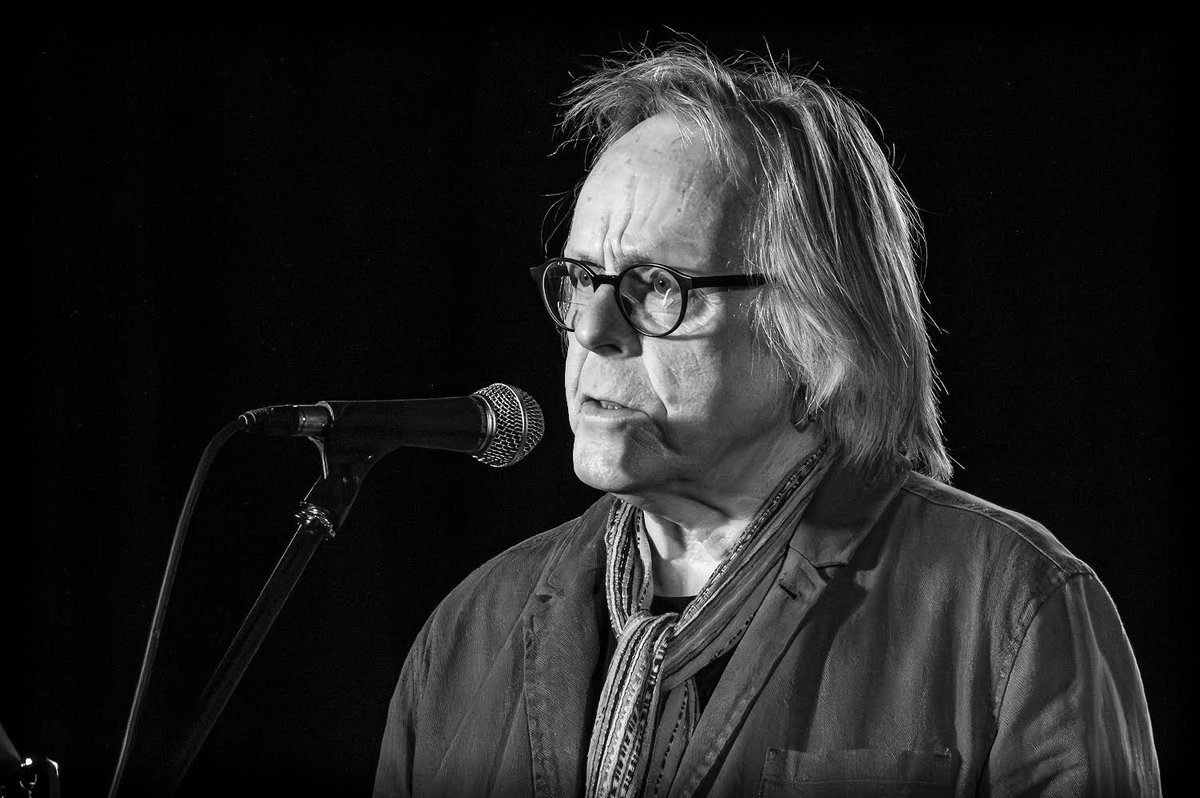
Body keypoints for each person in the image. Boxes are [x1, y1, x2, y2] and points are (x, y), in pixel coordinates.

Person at [373, 43, 1160, 797]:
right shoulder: (468, 636)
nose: (591, 330)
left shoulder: (1010, 606)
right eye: (582, 278)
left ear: (816, 328)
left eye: (655, 285)